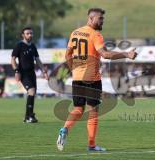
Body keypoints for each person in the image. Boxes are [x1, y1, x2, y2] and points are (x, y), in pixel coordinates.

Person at [56, 8, 137, 152]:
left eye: (103, 19)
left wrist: (72, 68)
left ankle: (64, 129)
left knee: (78, 109)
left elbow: (68, 54)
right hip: (92, 78)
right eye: (100, 19)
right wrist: (126, 54)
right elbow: (105, 54)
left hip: (77, 77)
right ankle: (92, 145)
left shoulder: (75, 32)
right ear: (91, 18)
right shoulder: (95, 35)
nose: (102, 22)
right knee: (93, 111)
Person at [11, 27, 49, 123]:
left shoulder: (33, 46)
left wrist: (44, 72)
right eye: (27, 33)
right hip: (23, 73)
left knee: (32, 93)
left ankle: (27, 117)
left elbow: (37, 60)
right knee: (31, 91)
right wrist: (16, 71)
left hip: (32, 73)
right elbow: (13, 59)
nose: (30, 35)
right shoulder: (19, 45)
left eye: (31, 33)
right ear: (23, 35)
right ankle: (30, 116)